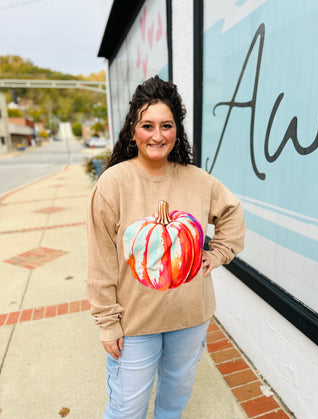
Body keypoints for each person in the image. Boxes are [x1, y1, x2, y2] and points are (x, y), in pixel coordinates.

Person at [87, 75, 245, 419]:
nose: (157, 135)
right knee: (127, 409)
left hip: (189, 318)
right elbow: (100, 262)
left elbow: (232, 215)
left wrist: (216, 254)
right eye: (148, 125)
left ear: (177, 131)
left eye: (166, 125)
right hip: (134, 324)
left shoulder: (198, 181)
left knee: (173, 402)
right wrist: (107, 322)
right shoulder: (113, 184)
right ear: (133, 130)